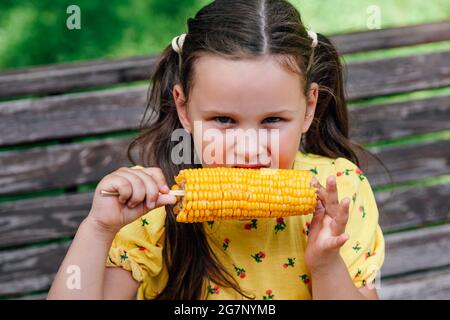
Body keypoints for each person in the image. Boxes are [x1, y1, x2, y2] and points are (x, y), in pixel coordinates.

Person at [48, 0, 385, 300]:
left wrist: (326, 265)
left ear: (309, 107)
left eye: (272, 120)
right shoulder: (152, 205)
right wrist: (98, 228)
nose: (249, 149)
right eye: (223, 119)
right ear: (183, 108)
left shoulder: (339, 191)